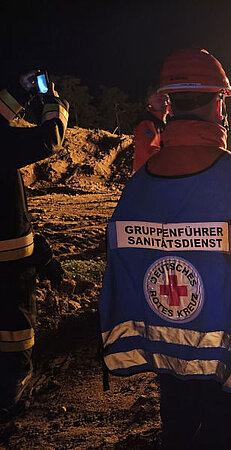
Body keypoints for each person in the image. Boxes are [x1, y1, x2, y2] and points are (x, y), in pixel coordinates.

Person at [99, 48, 231, 449]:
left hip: (169, 351)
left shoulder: (138, 186)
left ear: (169, 104)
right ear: (217, 103)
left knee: (178, 430)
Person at [0, 71, 69, 413]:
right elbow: (49, 139)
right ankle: (13, 387)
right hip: (9, 264)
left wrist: (20, 90)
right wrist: (54, 104)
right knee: (14, 327)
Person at [132, 92, 170, 172]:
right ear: (152, 103)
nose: (165, 103)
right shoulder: (147, 123)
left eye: (166, 100)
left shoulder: (163, 123)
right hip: (148, 173)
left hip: (154, 172)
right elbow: (151, 150)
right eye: (160, 100)